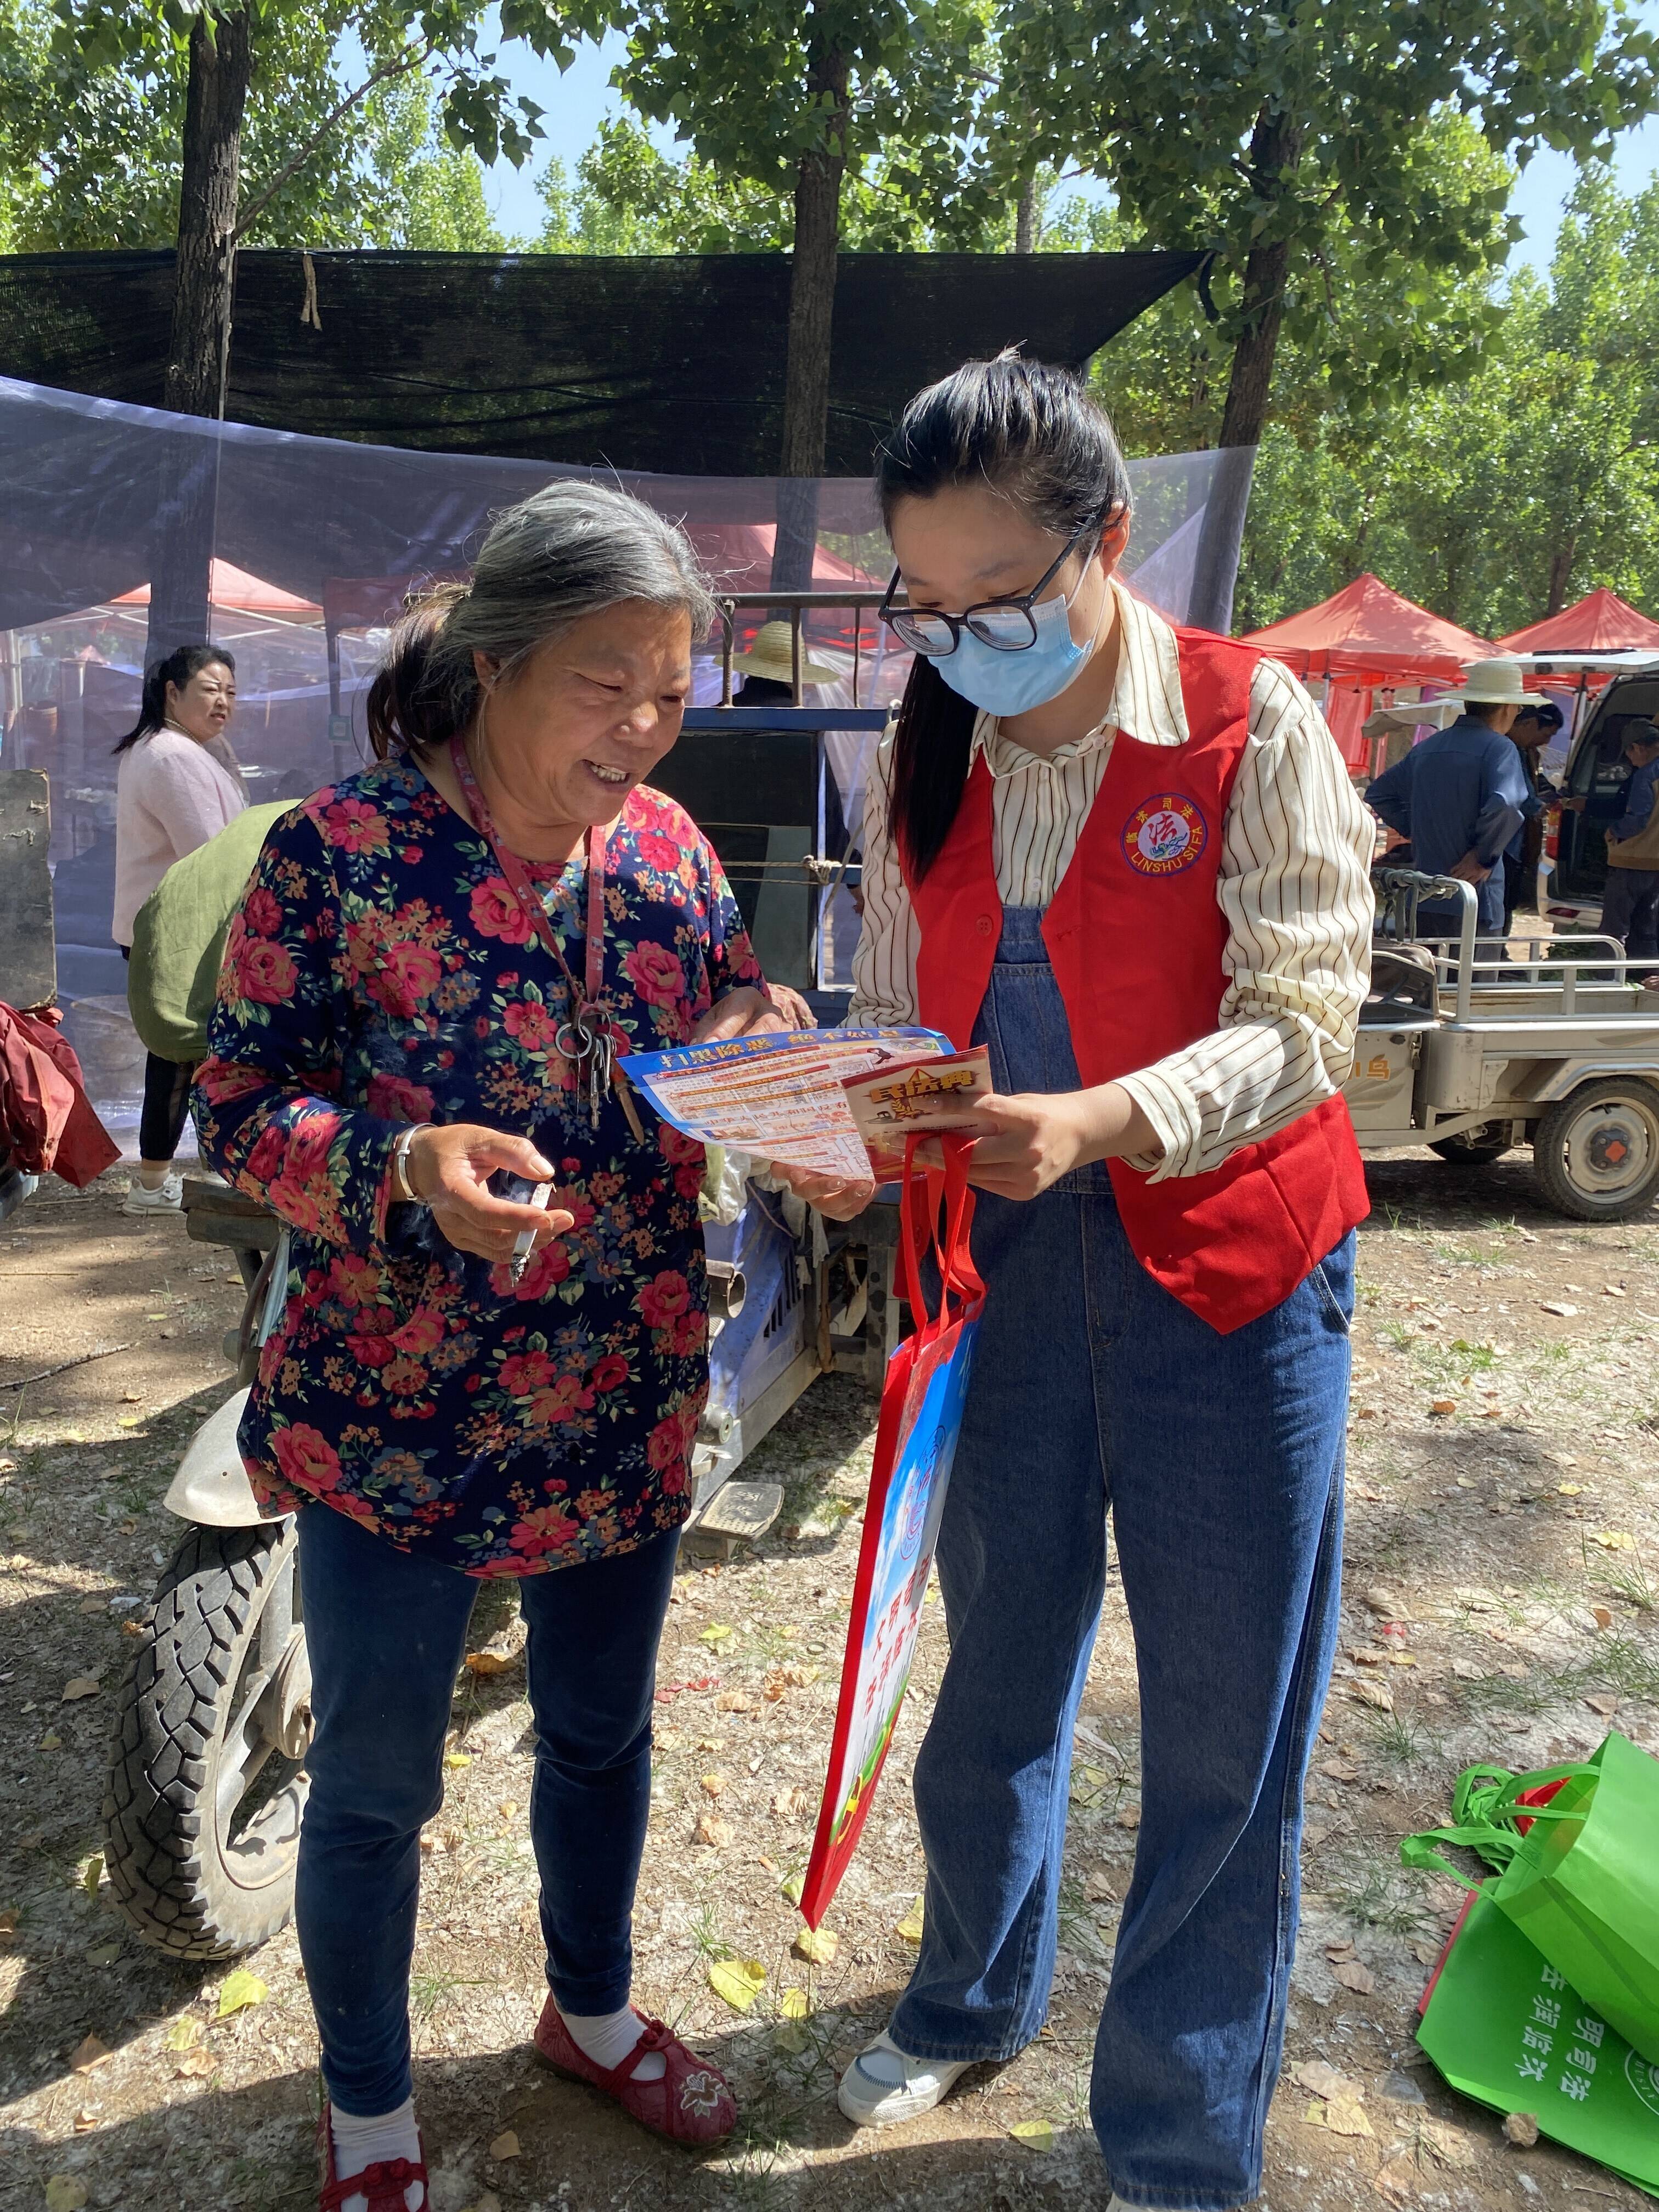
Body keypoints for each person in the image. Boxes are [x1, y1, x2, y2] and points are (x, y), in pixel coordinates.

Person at [785, 352, 1374, 2212]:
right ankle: (968, 1993)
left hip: (1234, 1288)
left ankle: (1181, 2137)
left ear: (1108, 543)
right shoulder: (924, 749)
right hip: (1006, 1281)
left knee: (1224, 1732)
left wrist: (1111, 1115)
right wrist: (838, 1110)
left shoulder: (1246, 720)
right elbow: (896, 1005)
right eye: (927, 607)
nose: (960, 643)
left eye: (1004, 604)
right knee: (992, 1669)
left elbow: (1305, 1019)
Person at [192, 483, 788, 2212]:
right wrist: (394, 1166)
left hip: (624, 1394)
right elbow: (235, 1106)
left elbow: (728, 1002)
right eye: (606, 683)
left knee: (602, 1737)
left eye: (671, 690)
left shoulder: (669, 851)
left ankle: (588, 2015)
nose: (643, 727)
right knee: (377, 1783)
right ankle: (371, 2114)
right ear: (494, 664)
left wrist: (767, 1030)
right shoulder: (342, 854)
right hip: (398, 1412)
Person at [112, 644, 246, 1212]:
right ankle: (154, 1181)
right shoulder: (170, 756)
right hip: (182, 931)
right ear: (173, 692)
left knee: (182, 1053)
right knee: (180, 1054)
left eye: (231, 693)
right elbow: (211, 853)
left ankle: (161, 1176)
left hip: (178, 928)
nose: (223, 703)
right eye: (211, 689)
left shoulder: (177, 750)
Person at [1364, 659, 1538, 943]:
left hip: (1425, 892)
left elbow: (1380, 794)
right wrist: (1482, 856)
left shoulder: (1429, 747)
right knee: (1471, 983)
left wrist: (1417, 830)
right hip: (1474, 897)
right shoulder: (1500, 748)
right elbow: (1505, 804)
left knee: (1425, 979)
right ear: (1507, 708)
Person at [1502, 697, 1565, 933]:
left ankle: (1498, 950)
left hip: (1516, 841)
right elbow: (1518, 796)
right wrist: (1539, 808)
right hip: (1503, 841)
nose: (1546, 742)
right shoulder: (1507, 750)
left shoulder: (1527, 752)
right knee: (1501, 901)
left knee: (1507, 900)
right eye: (1547, 734)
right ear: (1530, 724)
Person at [1600, 719, 1659, 961]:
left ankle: (1606, 982)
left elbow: (1637, 820)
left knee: (1614, 931)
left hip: (1631, 862)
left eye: (1628, 753)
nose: (1629, 760)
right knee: (1648, 931)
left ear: (1638, 748)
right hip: (1657, 864)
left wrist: (1613, 832)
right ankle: (1646, 979)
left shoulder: (1646, 775)